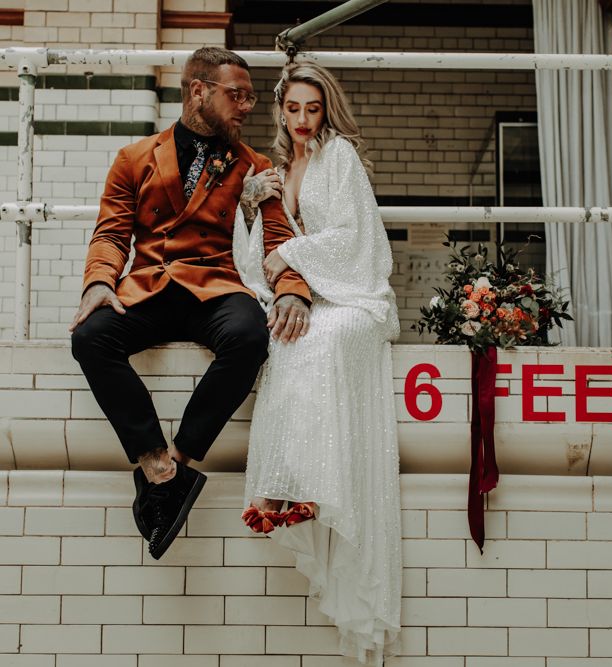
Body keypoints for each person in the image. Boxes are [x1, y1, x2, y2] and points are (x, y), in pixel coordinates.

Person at [69, 47, 311, 561]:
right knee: (90, 337)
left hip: (216, 287)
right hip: (150, 286)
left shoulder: (256, 165)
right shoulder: (134, 159)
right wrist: (98, 281)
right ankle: (154, 462)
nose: (247, 106)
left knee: (250, 337)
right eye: (236, 95)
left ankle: (177, 460)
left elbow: (277, 240)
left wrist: (292, 289)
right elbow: (111, 233)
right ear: (198, 91)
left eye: (251, 96)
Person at [235, 61, 401, 666]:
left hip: (354, 296)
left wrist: (289, 255)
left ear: (326, 108)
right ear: (280, 111)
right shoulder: (278, 171)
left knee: (325, 340)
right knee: (288, 342)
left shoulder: (340, 158)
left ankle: (319, 489)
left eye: (313, 108)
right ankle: (282, 488)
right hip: (307, 294)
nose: (303, 120)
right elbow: (255, 258)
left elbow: (355, 240)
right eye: (294, 109)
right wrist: (256, 213)